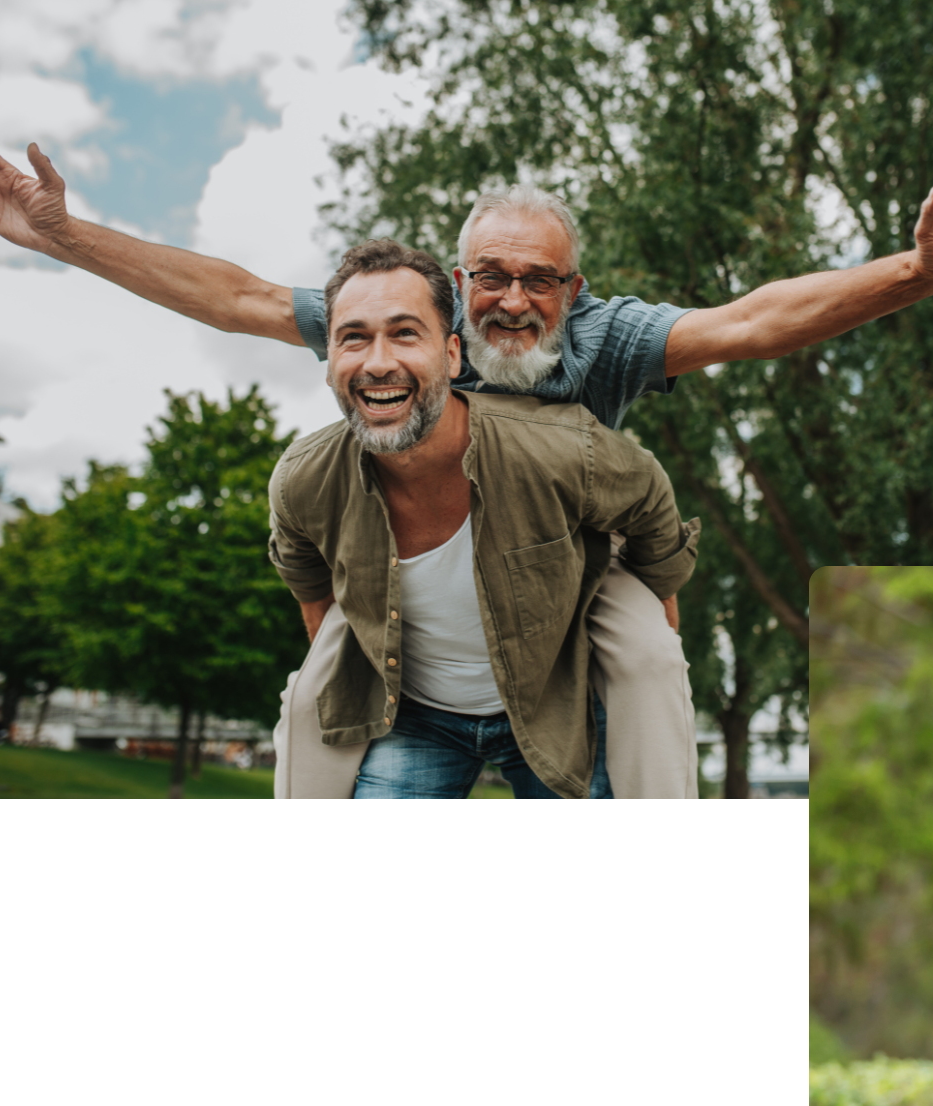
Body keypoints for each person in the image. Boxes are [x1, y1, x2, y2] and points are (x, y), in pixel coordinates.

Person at [0, 135, 933, 796]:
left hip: (577, 586)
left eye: (539, 279)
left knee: (643, 646)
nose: (513, 300)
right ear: (452, 290)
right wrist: (64, 235)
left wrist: (918, 276)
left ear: (574, 291)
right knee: (320, 675)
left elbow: (756, 320)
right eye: (490, 276)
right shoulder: (397, 330)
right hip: (421, 602)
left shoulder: (607, 341)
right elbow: (237, 294)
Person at [268, 237, 687, 797]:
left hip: (553, 710)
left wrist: (653, 616)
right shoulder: (305, 479)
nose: (378, 362)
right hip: (416, 721)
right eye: (354, 338)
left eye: (405, 333)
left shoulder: (561, 448)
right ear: (330, 366)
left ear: (451, 355)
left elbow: (650, 500)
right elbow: (307, 581)